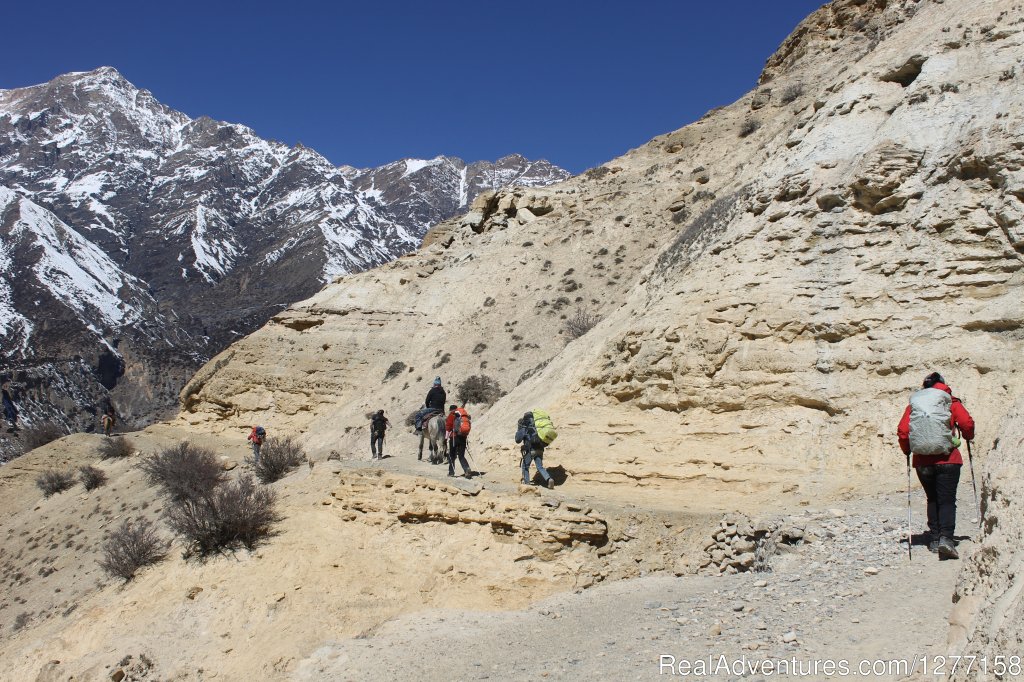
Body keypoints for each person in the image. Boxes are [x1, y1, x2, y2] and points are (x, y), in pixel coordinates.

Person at [897, 372, 975, 559]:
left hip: (922, 461)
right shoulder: (949, 401)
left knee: (932, 498)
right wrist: (968, 437)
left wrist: (907, 450)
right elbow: (966, 423)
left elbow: (903, 431)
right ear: (943, 385)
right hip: (948, 459)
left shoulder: (915, 405)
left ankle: (933, 539)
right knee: (947, 499)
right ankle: (946, 539)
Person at [516, 412, 554, 489]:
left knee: (525, 466)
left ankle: (527, 484)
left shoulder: (525, 427)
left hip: (530, 450)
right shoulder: (538, 427)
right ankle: (549, 479)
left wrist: (519, 429)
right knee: (540, 467)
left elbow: (517, 440)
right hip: (540, 449)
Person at [444, 404, 472, 478]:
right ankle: (467, 469)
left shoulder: (452, 415)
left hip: (454, 437)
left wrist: (446, 438)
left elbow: (448, 427)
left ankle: (451, 472)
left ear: (451, 410)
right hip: (463, 437)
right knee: (461, 456)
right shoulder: (464, 416)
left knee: (452, 455)